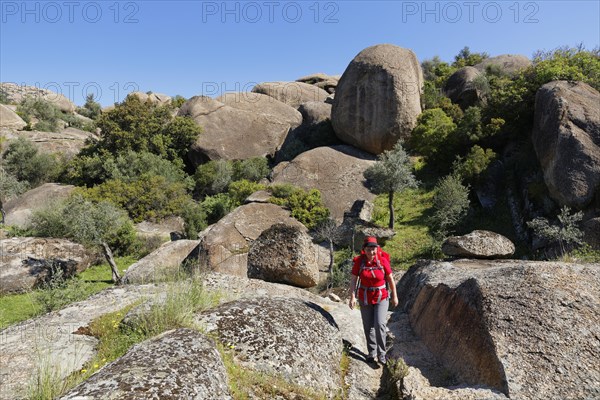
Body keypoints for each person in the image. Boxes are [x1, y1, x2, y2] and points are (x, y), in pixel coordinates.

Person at [348, 236, 398, 365]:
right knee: (368, 326)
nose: (371, 252)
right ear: (364, 250)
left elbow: (390, 279)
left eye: (373, 249)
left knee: (380, 324)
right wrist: (352, 296)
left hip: (381, 296)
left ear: (377, 249)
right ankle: (372, 353)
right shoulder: (360, 262)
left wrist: (394, 295)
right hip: (365, 296)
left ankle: (382, 354)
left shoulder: (382, 261)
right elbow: (354, 280)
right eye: (369, 249)